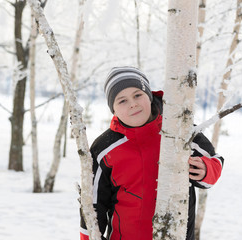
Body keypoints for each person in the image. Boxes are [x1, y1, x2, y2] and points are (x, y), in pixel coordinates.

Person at [79, 66, 224, 240]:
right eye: (122, 101)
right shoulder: (104, 148)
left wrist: (206, 170)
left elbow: (214, 161)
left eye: (138, 95)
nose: (133, 103)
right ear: (114, 110)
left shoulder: (179, 129)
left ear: (149, 96)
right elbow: (94, 204)